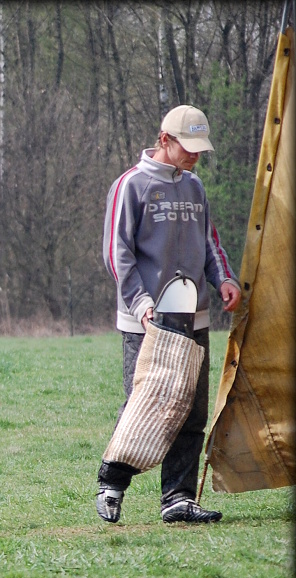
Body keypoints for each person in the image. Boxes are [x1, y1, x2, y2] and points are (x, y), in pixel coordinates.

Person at [98, 105, 241, 524]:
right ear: (164, 140)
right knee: (143, 406)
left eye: (200, 149)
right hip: (147, 321)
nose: (195, 156)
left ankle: (177, 499)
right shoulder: (131, 185)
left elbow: (210, 244)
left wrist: (224, 280)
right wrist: (142, 306)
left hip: (193, 318)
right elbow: (116, 254)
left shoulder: (194, 187)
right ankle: (111, 485)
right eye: (187, 147)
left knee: (192, 413)